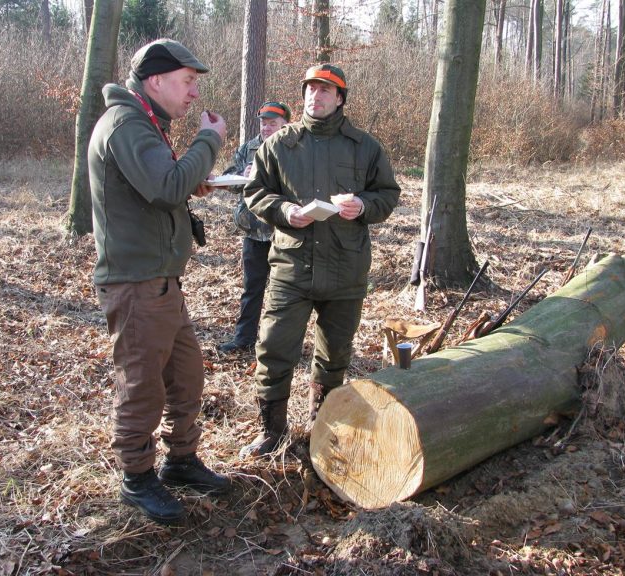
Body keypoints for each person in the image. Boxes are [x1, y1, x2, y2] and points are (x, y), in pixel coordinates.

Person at [88, 38, 231, 525]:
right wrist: (208, 141)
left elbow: (160, 186)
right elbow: (165, 186)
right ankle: (137, 477)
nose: (194, 94)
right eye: (188, 82)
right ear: (155, 80)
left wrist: (191, 175)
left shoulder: (146, 123)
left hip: (162, 282)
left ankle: (181, 462)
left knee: (186, 374)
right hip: (136, 284)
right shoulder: (128, 125)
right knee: (142, 385)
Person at [240, 64, 401, 457]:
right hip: (291, 268)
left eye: (326, 90)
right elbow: (255, 191)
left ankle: (321, 426)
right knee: (274, 347)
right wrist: (283, 211)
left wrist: (363, 204)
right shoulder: (280, 144)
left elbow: (388, 195)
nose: (317, 95)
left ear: (340, 98)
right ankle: (272, 432)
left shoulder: (365, 146)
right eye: (311, 88)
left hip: (346, 268)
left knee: (334, 355)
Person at [218, 101, 291, 353]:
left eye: (272, 122)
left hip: (285, 232)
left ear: (285, 124)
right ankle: (244, 339)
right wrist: (245, 176)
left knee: (285, 293)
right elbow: (229, 180)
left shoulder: (295, 148)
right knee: (252, 289)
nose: (267, 127)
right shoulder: (248, 148)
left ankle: (280, 343)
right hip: (254, 232)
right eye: (263, 122)